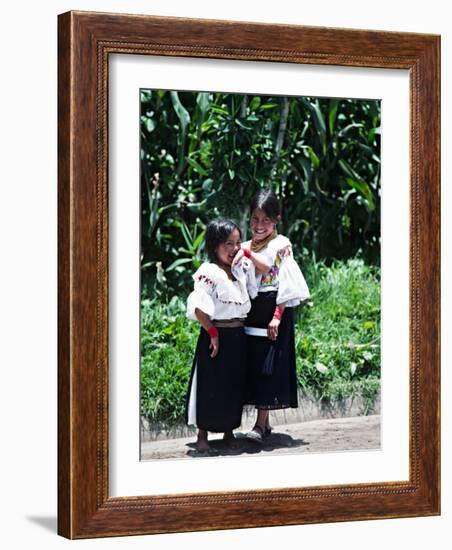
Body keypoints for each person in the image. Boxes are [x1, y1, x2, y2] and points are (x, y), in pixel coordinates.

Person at [185, 218, 269, 455]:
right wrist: (212, 332)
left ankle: (228, 432)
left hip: (237, 336)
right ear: (214, 246)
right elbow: (199, 307)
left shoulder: (240, 271)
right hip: (216, 336)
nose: (233, 249)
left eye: (236, 243)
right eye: (227, 244)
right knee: (210, 385)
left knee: (233, 385)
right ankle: (202, 436)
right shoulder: (209, 272)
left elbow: (265, 270)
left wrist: (247, 255)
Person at [232, 188, 310, 443]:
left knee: (267, 368)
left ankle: (260, 424)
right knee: (253, 366)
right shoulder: (242, 246)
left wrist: (277, 316)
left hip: (273, 311)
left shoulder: (281, 245)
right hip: (251, 313)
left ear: (276, 220)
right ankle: (262, 425)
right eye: (255, 219)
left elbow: (286, 283)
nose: (259, 225)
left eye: (266, 220)